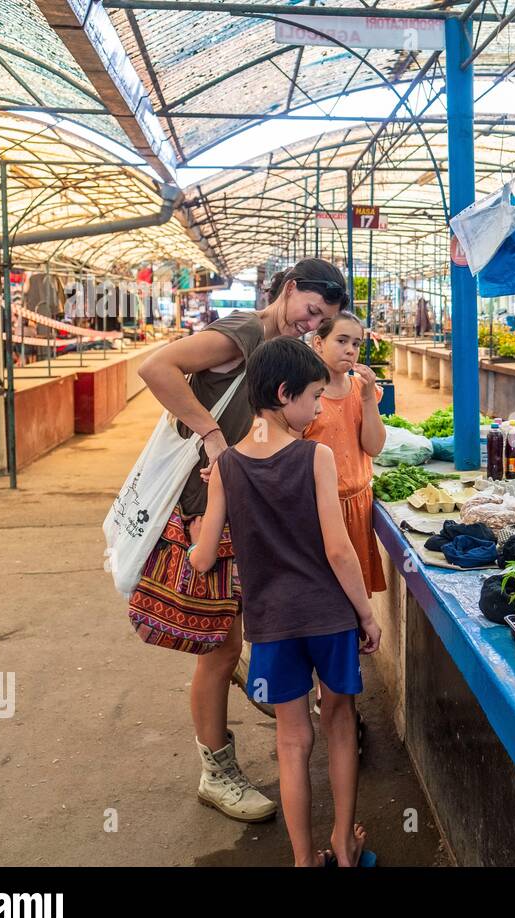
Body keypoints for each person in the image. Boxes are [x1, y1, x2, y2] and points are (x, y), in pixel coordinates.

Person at [137, 257, 347, 822]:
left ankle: (237, 690)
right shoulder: (242, 333)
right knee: (218, 644)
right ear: (292, 288)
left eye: (322, 321)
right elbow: (157, 367)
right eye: (311, 311)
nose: (311, 324)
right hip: (207, 507)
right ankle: (216, 771)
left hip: (239, 511)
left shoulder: (279, 344)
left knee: (232, 631)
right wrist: (209, 434)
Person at [190, 337, 382, 867]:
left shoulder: (227, 466)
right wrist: (365, 613)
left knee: (292, 741)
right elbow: (339, 549)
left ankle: (304, 860)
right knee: (339, 722)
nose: (320, 409)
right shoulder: (314, 456)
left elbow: (204, 558)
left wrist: (194, 529)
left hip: (272, 624)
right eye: (314, 397)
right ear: (283, 393)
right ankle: (345, 848)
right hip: (329, 617)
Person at [305, 312, 387, 595]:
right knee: (325, 592)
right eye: (341, 340)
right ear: (318, 344)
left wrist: (367, 399)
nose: (350, 350)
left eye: (356, 343)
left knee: (354, 592)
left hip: (358, 505)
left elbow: (374, 447)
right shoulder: (305, 395)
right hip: (318, 509)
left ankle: (355, 637)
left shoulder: (363, 391)